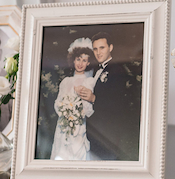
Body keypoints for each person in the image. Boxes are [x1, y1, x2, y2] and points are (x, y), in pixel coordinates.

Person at [75, 32, 141, 161]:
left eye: (102, 48)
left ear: (110, 48)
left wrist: (93, 98)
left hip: (110, 134)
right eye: (95, 49)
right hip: (98, 131)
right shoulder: (97, 70)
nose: (98, 52)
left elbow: (119, 102)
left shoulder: (118, 70)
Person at [50, 39, 97, 160]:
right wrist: (65, 111)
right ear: (73, 60)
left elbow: (89, 110)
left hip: (79, 127)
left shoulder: (89, 81)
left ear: (88, 63)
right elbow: (57, 103)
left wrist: (77, 112)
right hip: (63, 126)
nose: (80, 63)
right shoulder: (66, 81)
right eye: (78, 59)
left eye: (84, 60)